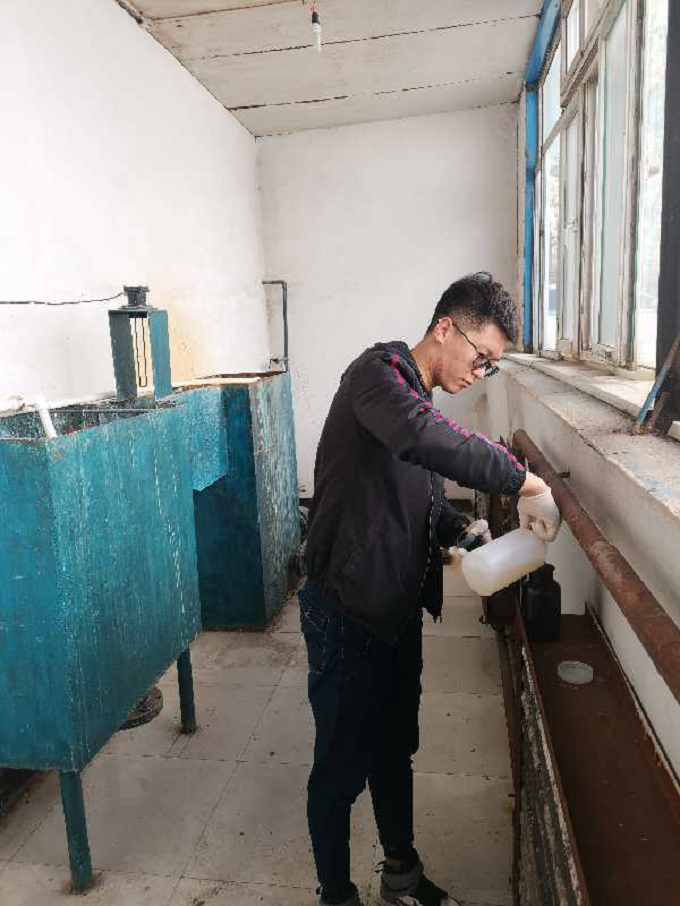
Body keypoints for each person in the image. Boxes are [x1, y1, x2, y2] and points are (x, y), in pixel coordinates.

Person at [299, 273, 562, 906]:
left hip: (394, 610)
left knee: (394, 750)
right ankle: (336, 895)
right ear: (446, 328)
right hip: (347, 611)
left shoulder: (416, 397)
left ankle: (402, 875)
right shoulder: (375, 378)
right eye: (482, 357)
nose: (481, 373)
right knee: (339, 770)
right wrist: (526, 482)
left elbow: (422, 493)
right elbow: (424, 440)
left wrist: (461, 529)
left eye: (492, 365)